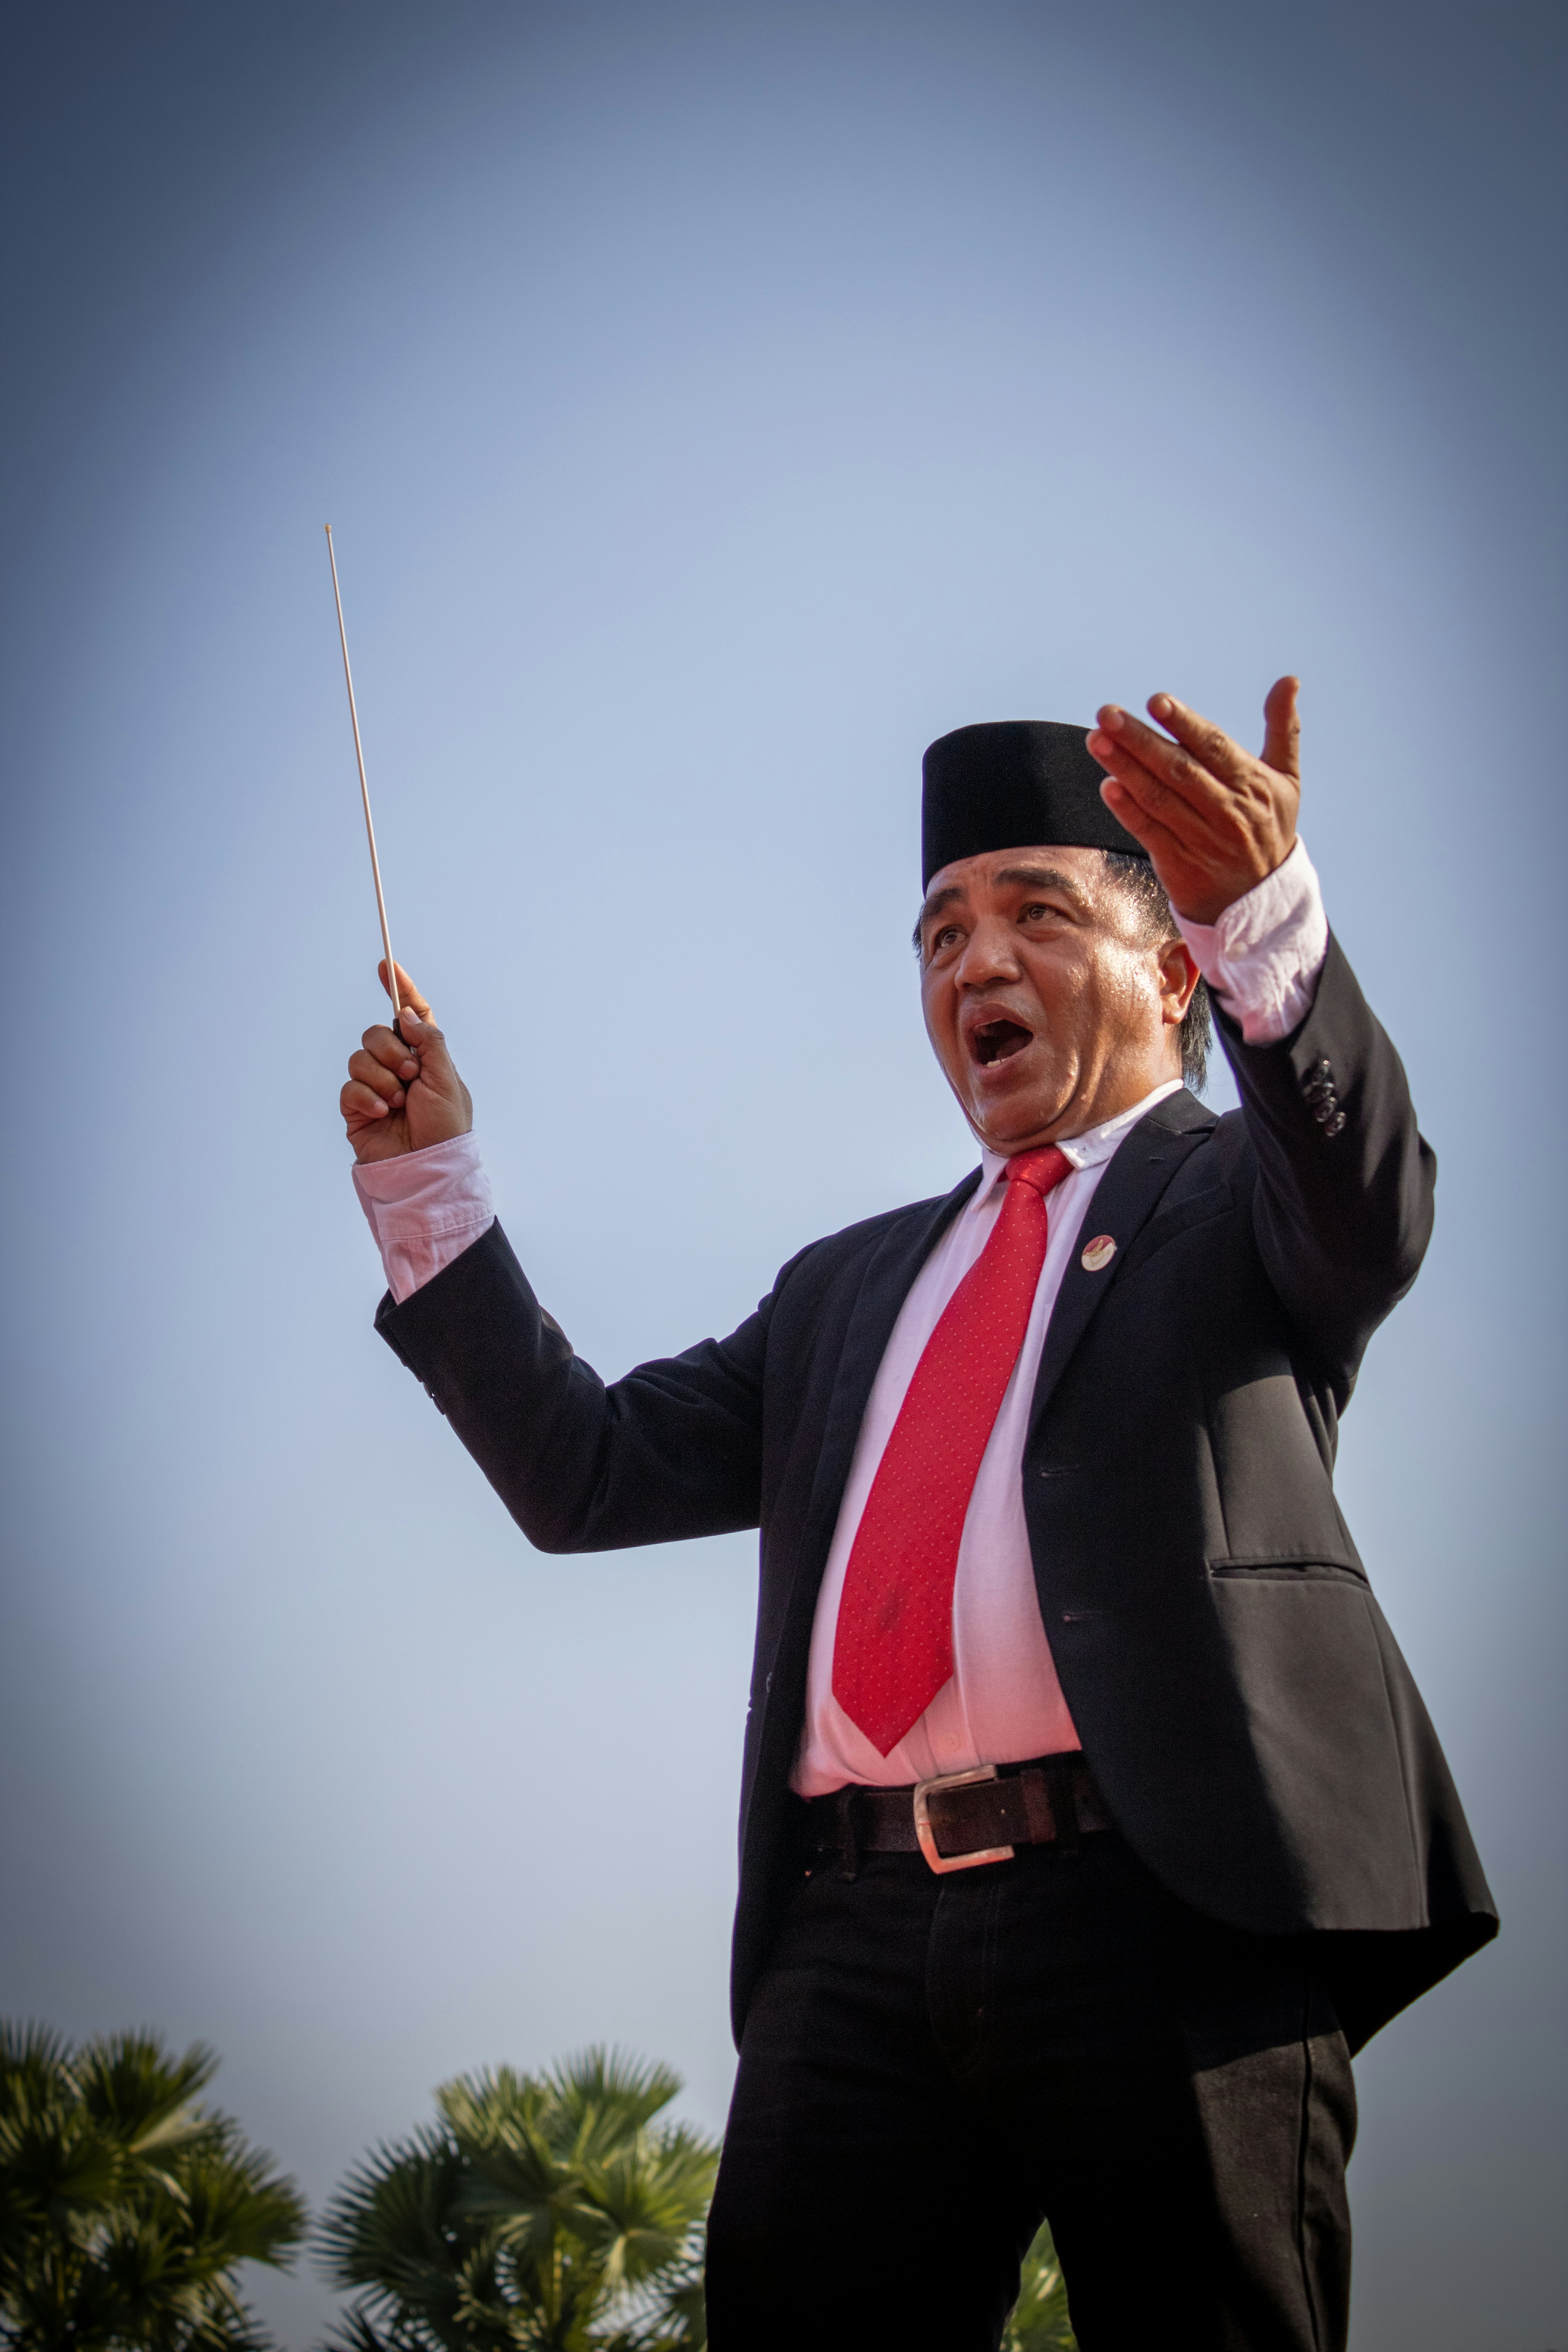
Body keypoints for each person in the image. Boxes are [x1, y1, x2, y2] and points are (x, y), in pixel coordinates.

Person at [339, 682, 1495, 2351]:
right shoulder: (847, 1288)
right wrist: (427, 1189)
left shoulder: (1241, 1195)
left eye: (1038, 915)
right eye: (941, 933)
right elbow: (585, 1473)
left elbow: (1365, 1198)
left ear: (1172, 971)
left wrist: (1261, 916)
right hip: (852, 1945)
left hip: (1167, 1915)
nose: (975, 963)